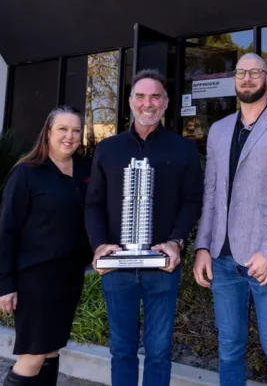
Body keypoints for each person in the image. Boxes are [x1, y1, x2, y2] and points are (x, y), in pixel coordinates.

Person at [192, 53, 267, 386]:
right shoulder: (217, 131)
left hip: (266, 260)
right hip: (222, 260)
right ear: (234, 81)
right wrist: (202, 246)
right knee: (229, 349)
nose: (247, 78)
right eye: (241, 72)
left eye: (255, 72)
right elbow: (211, 194)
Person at [85, 69, 203, 386]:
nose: (147, 103)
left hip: (161, 268)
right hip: (117, 269)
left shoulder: (184, 150)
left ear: (165, 103)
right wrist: (98, 245)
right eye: (140, 96)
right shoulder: (107, 150)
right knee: (121, 350)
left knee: (159, 351)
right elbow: (93, 203)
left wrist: (176, 240)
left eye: (155, 96)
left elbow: (192, 201)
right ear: (130, 102)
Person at [0, 105, 92, 386]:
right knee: (34, 353)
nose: (69, 136)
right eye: (62, 129)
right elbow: (7, 230)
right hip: (35, 278)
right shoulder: (26, 173)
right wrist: (4, 283)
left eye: (75, 130)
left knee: (51, 348)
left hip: (69, 277)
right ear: (48, 132)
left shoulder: (85, 170)